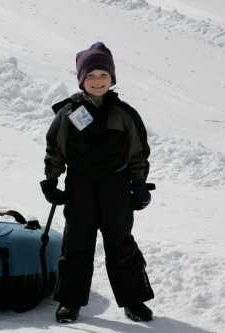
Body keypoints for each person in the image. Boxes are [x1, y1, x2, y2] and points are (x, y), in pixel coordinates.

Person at [40, 42, 155, 323]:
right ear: (81, 80)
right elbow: (56, 148)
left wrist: (139, 185)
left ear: (112, 78)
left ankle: (133, 301)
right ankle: (70, 301)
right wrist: (52, 180)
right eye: (91, 76)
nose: (97, 81)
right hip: (80, 188)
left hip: (115, 188)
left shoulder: (124, 114)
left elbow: (138, 152)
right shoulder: (69, 112)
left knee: (121, 244)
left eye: (103, 75)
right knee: (76, 245)